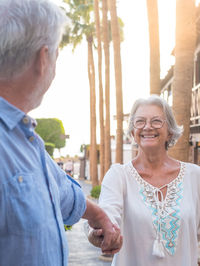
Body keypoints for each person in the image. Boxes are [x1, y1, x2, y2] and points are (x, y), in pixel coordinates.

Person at [0, 0, 122, 265]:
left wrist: (97, 215)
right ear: (43, 59)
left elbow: (61, 189)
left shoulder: (25, 138)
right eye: (56, 54)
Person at [89, 95, 200, 266]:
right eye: (140, 121)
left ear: (170, 130)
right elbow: (108, 215)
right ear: (133, 132)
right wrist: (100, 234)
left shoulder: (194, 176)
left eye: (156, 121)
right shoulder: (119, 176)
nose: (147, 127)